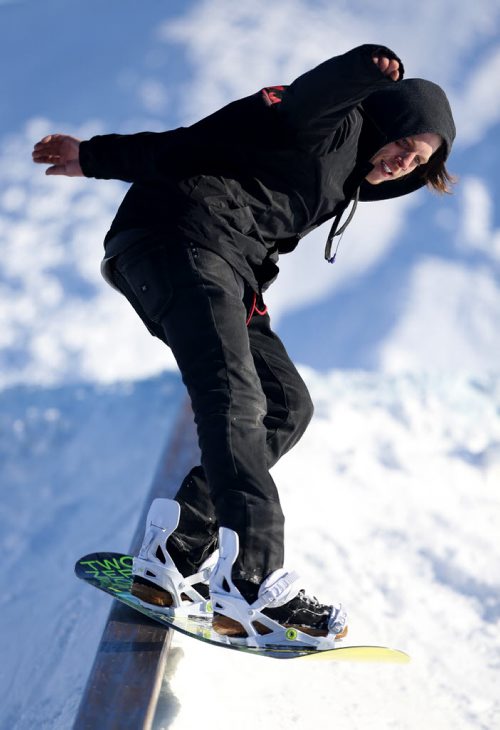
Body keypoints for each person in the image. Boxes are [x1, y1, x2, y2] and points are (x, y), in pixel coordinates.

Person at [33, 44, 455, 647]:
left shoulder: (342, 181)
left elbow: (197, 145)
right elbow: (279, 107)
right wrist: (365, 69)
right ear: (385, 120)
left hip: (226, 268)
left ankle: (175, 549)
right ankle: (253, 577)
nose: (400, 165)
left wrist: (93, 158)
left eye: (415, 163)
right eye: (402, 147)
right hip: (178, 238)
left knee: (287, 404)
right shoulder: (326, 123)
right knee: (231, 393)